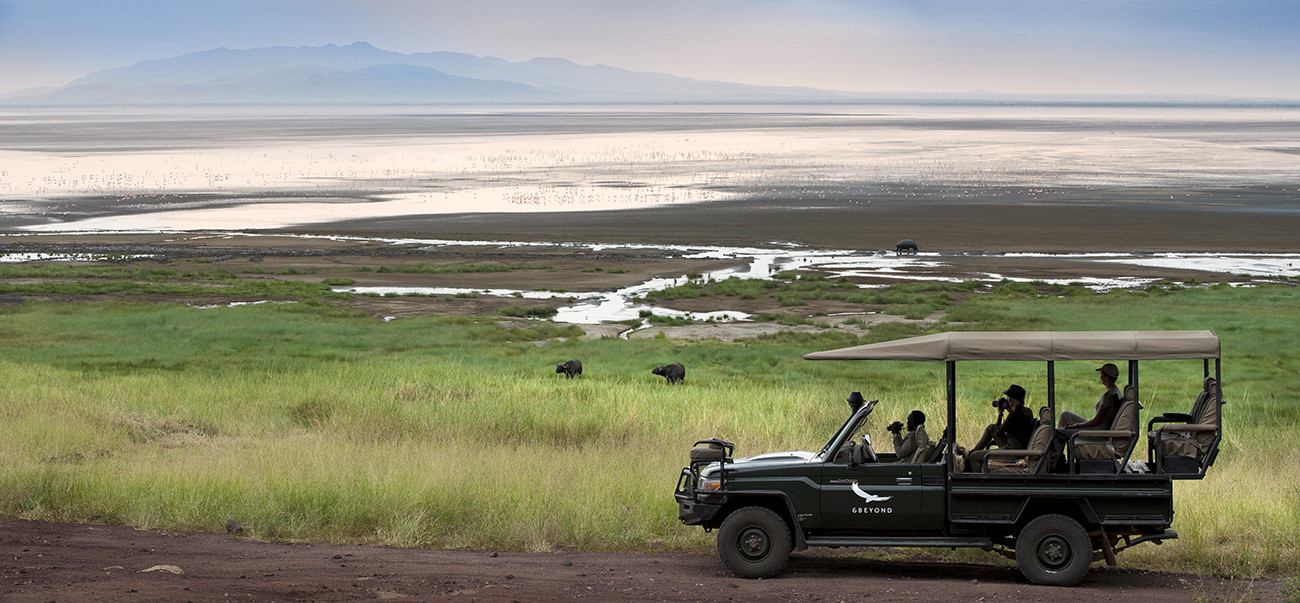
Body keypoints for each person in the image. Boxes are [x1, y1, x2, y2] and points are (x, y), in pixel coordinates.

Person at [965, 385, 1034, 471]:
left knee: (974, 457)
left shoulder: (1015, 414)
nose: (1007, 399)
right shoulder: (1027, 411)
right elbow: (1013, 428)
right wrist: (1010, 411)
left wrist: (1000, 414)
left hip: (1013, 451)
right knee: (991, 428)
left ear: (1014, 399)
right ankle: (973, 451)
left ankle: (977, 479)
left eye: (1008, 397)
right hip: (1016, 445)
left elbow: (998, 432)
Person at [1060, 363, 1122, 430]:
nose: (1100, 377)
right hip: (1096, 427)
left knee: (1059, 432)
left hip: (1095, 430)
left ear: (1105, 376)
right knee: (1065, 415)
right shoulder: (1116, 391)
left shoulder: (1108, 395)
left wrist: (1076, 425)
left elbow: (1095, 422)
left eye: (1101, 374)